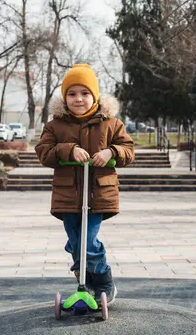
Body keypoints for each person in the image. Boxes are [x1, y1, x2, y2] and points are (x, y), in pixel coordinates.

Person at [35, 63, 135, 304]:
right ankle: (85, 279)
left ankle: (102, 279)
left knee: (88, 241)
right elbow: (43, 152)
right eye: (72, 93)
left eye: (84, 93)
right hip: (68, 196)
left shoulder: (111, 123)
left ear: (95, 95)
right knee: (75, 241)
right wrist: (67, 150)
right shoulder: (55, 125)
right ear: (64, 96)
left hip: (98, 194)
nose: (78, 99)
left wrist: (111, 152)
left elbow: (128, 151)